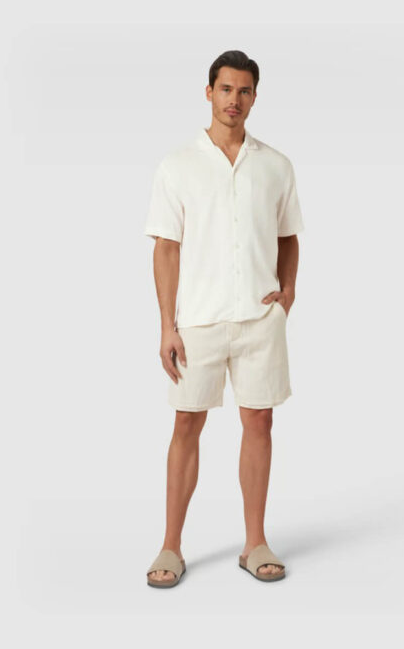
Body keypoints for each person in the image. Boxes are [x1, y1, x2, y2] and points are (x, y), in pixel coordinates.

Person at [143, 50, 304, 588]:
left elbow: (288, 236)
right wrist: (167, 326)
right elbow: (166, 248)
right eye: (226, 89)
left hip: (260, 320)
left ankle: (254, 542)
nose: (235, 100)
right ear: (209, 92)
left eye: (245, 91)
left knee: (260, 422)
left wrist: (287, 293)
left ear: (255, 97)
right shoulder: (177, 165)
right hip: (199, 322)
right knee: (186, 424)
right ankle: (170, 546)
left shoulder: (276, 165)